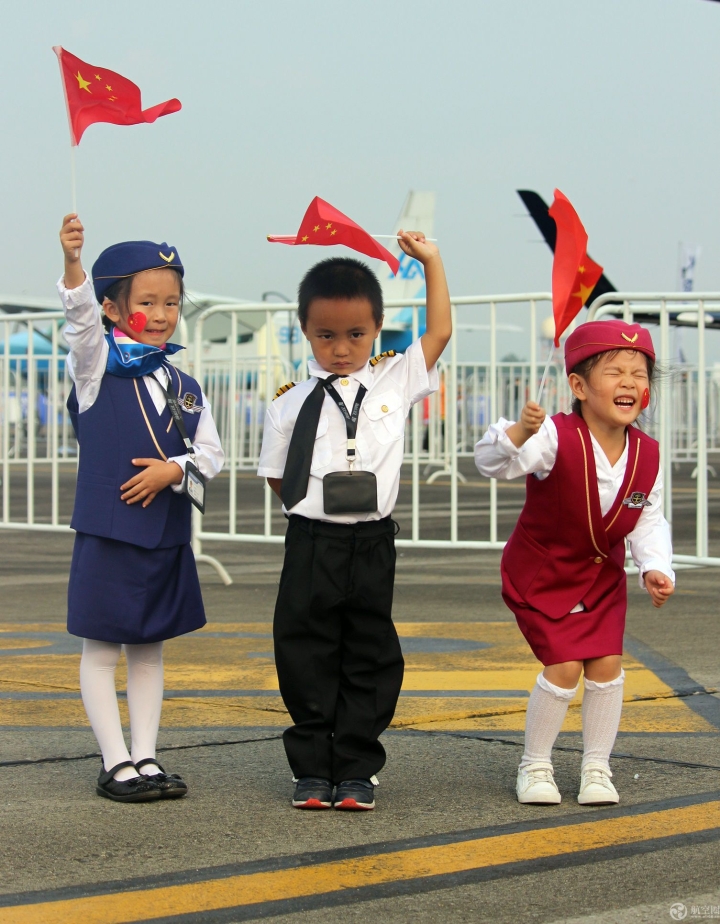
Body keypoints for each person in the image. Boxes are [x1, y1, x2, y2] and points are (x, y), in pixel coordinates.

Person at [258, 233, 451, 811]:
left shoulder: (395, 378)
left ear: (377, 328)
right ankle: (313, 767)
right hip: (312, 540)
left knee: (367, 649)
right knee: (304, 649)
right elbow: (277, 476)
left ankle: (359, 767)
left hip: (370, 542)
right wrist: (312, 514)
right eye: (325, 336)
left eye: (356, 335)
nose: (341, 349)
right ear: (304, 331)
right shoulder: (288, 403)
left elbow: (438, 332)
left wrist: (432, 261)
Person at [58, 214, 224, 802]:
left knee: (150, 649)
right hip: (108, 532)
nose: (161, 315)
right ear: (111, 307)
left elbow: (211, 454)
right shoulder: (95, 367)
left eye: (172, 303)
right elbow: (79, 321)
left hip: (164, 532)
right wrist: (75, 264)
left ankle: (148, 755)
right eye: (147, 302)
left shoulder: (184, 383)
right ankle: (115, 762)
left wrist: (173, 469)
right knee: (102, 650)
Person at [475, 320, 674, 806]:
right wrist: (519, 430)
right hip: (541, 576)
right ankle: (535, 765)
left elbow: (648, 517)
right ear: (580, 386)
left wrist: (656, 565)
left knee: (607, 666)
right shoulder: (553, 436)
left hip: (602, 579)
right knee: (563, 667)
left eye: (640, 373)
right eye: (615, 371)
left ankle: (596, 768)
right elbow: (492, 463)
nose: (629, 382)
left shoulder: (647, 453)